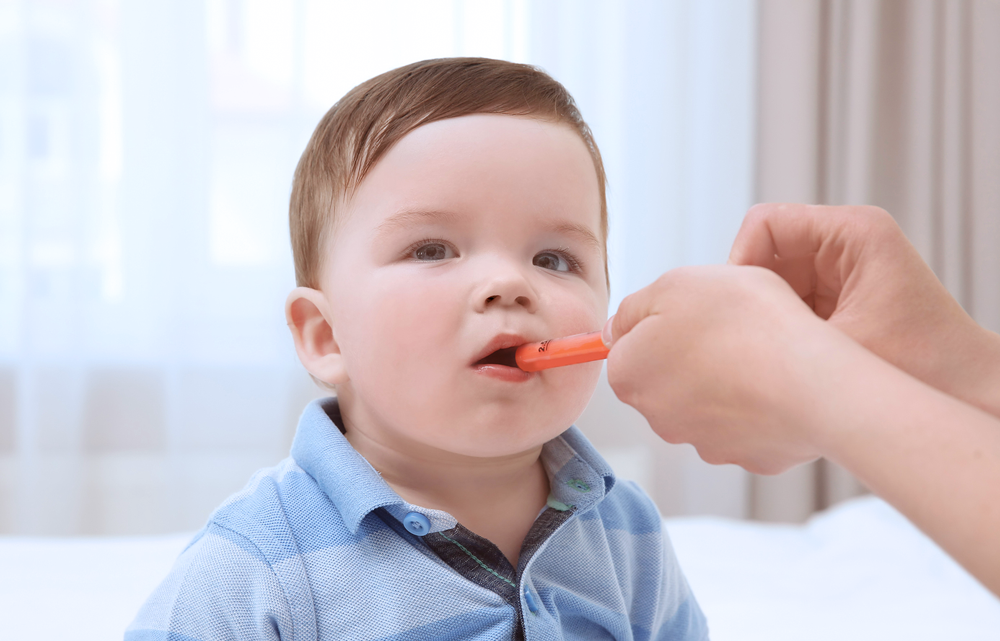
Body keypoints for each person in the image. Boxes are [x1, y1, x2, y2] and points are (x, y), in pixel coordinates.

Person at [126, 58, 707, 640]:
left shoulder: (629, 535)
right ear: (326, 336)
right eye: (432, 250)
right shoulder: (256, 567)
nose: (509, 283)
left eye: (553, 260)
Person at [603, 202, 1000, 597]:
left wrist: (804, 379)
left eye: (554, 261)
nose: (535, 289)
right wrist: (972, 366)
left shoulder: (635, 542)